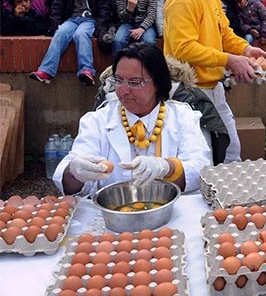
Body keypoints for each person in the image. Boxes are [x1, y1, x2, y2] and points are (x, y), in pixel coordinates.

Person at [52, 43, 212, 196]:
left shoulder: (183, 117)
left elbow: (202, 169)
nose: (123, 90)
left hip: (171, 215)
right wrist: (74, 173)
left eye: (135, 82)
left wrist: (168, 167)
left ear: (158, 82)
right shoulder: (98, 120)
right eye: (119, 80)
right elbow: (70, 182)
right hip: (112, 216)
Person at [163, 0, 266, 163]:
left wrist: (246, 49)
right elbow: (183, 49)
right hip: (189, 93)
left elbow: (224, 33)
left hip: (213, 87)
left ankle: (228, 198)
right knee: (203, 157)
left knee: (231, 150)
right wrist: (230, 60)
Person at [29, 0, 111, 86]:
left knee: (81, 34)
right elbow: (56, 9)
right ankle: (46, 71)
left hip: (89, 20)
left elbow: (104, 11)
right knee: (61, 33)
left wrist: (100, 28)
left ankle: (86, 70)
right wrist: (55, 26)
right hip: (71, 20)